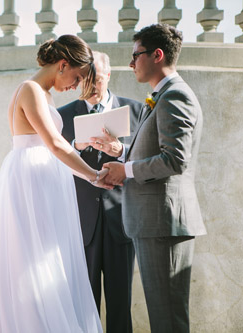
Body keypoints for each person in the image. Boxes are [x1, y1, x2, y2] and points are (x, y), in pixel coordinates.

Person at [0, 35, 108, 333]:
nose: (75, 86)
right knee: (31, 263)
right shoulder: (31, 90)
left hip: (40, 179)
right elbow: (54, 144)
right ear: (62, 64)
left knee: (44, 262)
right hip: (31, 183)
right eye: (76, 77)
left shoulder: (43, 93)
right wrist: (93, 175)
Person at [102, 24, 207, 332]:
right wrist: (120, 150)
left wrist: (126, 170)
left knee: (169, 319)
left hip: (163, 224)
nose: (131, 63)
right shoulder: (163, 96)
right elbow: (155, 150)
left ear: (157, 55)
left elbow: (174, 159)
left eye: (136, 55)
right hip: (155, 224)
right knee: (164, 316)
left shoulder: (175, 96)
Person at [58, 51, 142, 333]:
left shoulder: (136, 110)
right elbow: (53, 163)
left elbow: (146, 162)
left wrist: (121, 150)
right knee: (83, 305)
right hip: (82, 225)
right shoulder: (63, 115)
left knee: (121, 305)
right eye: (87, 80)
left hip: (122, 221)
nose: (92, 87)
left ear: (109, 75)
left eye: (98, 80)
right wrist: (76, 146)